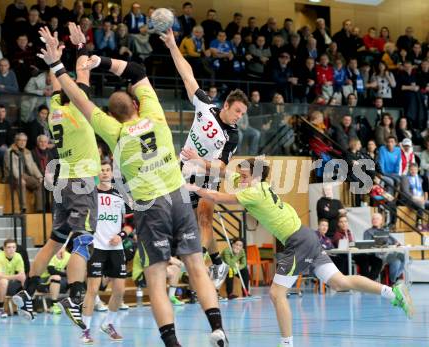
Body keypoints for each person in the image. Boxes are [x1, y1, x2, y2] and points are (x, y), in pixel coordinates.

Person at [37, 25, 228, 347]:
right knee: (196, 264)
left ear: (113, 115)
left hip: (150, 206)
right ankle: (217, 328)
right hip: (178, 197)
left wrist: (58, 64)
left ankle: (172, 342)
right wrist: (99, 61)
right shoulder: (155, 114)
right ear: (137, 105)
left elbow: (78, 98)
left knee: (155, 275)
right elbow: (137, 70)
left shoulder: (113, 131)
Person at [189, 158, 414, 347]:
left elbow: (216, 197)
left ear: (254, 174)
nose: (239, 175)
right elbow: (226, 173)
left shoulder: (254, 192)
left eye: (243, 171)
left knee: (277, 293)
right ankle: (392, 292)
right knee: (339, 282)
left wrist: (189, 186)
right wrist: (201, 163)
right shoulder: (259, 185)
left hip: (298, 241)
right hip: (306, 236)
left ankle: (287, 343)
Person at [12, 24, 100, 326]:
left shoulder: (55, 108)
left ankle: (27, 291)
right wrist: (81, 46)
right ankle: (75, 297)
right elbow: (83, 73)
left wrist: (54, 59)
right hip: (82, 181)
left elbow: (60, 81)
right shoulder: (78, 108)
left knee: (54, 241)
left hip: (63, 182)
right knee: (83, 240)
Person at [164, 27, 248, 291]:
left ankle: (199, 266)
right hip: (183, 170)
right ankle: (216, 259)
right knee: (176, 218)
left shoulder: (232, 136)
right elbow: (187, 74)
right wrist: (172, 46)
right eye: (237, 111)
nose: (239, 116)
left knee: (204, 220)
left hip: (208, 177)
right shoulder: (206, 106)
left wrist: (200, 162)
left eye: (242, 113)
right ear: (225, 106)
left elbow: (222, 169)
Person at [80, 160, 126, 343]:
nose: (105, 173)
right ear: (97, 174)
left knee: (120, 291)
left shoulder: (121, 195)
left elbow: (130, 223)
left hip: (116, 247)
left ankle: (108, 324)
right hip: (97, 246)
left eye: (108, 170)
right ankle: (86, 330)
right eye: (102, 170)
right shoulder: (91, 194)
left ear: (112, 174)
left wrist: (121, 235)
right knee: (92, 290)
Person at [332, 216, 383, 280]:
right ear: (338, 224)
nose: (344, 223)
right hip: (347, 256)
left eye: (345, 221)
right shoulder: (337, 235)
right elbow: (342, 248)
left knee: (377, 261)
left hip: (355, 253)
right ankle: (366, 281)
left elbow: (353, 244)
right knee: (364, 258)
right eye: (341, 222)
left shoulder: (349, 232)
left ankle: (371, 280)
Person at [4, 132, 44, 212]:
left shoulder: (27, 152)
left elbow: (33, 165)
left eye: (25, 140)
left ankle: (39, 208)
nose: (23, 142)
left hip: (25, 176)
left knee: (39, 183)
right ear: (16, 141)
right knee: (21, 183)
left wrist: (39, 176)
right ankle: (23, 207)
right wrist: (19, 177)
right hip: (11, 176)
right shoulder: (10, 151)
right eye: (20, 140)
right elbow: (12, 167)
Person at [0, 239, 26, 319]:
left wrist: (21, 278)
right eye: (9, 247)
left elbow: (22, 274)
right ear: (4, 248)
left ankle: (26, 306)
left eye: (13, 247)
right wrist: (16, 277)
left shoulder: (18, 256)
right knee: (3, 281)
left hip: (9, 282)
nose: (11, 249)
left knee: (24, 279)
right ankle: (0, 309)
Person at [364, 213, 404, 284]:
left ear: (381, 221)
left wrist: (396, 244)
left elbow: (395, 242)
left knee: (407, 258)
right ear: (371, 221)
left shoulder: (385, 231)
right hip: (379, 255)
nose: (375, 220)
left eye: (377, 219)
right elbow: (367, 245)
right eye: (373, 219)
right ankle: (393, 281)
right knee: (396, 261)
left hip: (390, 253)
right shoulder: (368, 232)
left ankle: (395, 278)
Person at [38, 249, 70, 314]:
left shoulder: (68, 256)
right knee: (56, 277)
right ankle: (54, 305)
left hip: (60, 280)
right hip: (44, 281)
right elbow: (52, 271)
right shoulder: (49, 254)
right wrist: (67, 274)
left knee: (75, 278)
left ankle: (76, 303)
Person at [0, 105, 12, 181]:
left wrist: (8, 146)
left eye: (3, 111)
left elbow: (10, 139)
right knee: (2, 153)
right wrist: (0, 146)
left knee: (6, 152)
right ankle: (4, 176)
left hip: (5, 148)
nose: (1, 113)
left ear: (5, 113)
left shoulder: (7, 124)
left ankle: (4, 177)